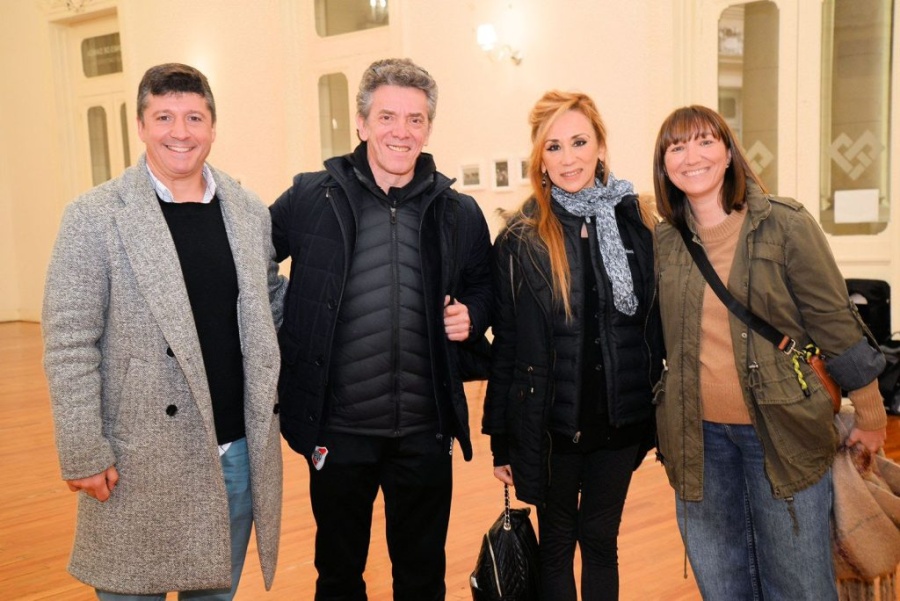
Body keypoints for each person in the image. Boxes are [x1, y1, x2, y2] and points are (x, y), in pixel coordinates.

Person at [42, 63, 286, 600]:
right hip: (137, 459)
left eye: (194, 117)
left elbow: (269, 309)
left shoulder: (246, 211)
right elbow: (68, 344)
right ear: (141, 125)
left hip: (235, 451)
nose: (181, 132)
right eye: (165, 117)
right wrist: (84, 450)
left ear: (213, 126)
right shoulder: (95, 216)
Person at [269, 58, 492, 601]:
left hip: (424, 428)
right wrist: (288, 324)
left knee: (421, 577)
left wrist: (473, 314)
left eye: (416, 119)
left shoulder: (457, 212)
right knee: (339, 575)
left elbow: (486, 286)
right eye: (388, 116)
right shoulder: (309, 198)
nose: (402, 131)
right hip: (338, 429)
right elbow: (248, 258)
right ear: (362, 123)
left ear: (428, 129)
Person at [651, 105, 887, 600]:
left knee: (797, 583)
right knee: (722, 583)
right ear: (664, 164)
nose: (691, 156)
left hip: (782, 432)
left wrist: (869, 410)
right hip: (699, 441)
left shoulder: (785, 225)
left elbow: (835, 322)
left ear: (729, 151)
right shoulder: (665, 241)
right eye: (677, 147)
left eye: (704, 142)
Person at [483, 90, 663, 601]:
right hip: (549, 427)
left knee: (601, 541)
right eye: (554, 147)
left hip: (618, 422)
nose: (569, 158)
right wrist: (501, 439)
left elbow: (653, 331)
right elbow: (508, 346)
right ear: (540, 158)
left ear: (601, 147)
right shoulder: (521, 239)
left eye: (579, 142)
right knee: (558, 544)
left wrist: (658, 417)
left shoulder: (639, 225)